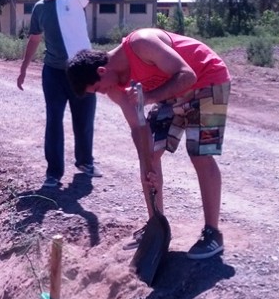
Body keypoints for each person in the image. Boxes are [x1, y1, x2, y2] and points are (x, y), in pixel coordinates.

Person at [66, 28, 232, 260]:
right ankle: (157, 227)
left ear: (102, 71)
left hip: (207, 79)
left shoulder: (141, 44)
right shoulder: (115, 88)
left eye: (97, 88)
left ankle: (213, 233)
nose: (101, 93)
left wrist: (151, 97)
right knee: (150, 152)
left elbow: (188, 75)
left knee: (199, 153)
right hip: (172, 92)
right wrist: (147, 163)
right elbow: (138, 128)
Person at [16, 0, 109, 187]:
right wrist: (24, 68)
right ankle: (53, 173)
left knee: (84, 119)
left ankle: (85, 162)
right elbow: (35, 40)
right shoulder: (38, 9)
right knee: (54, 120)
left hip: (82, 71)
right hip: (54, 73)